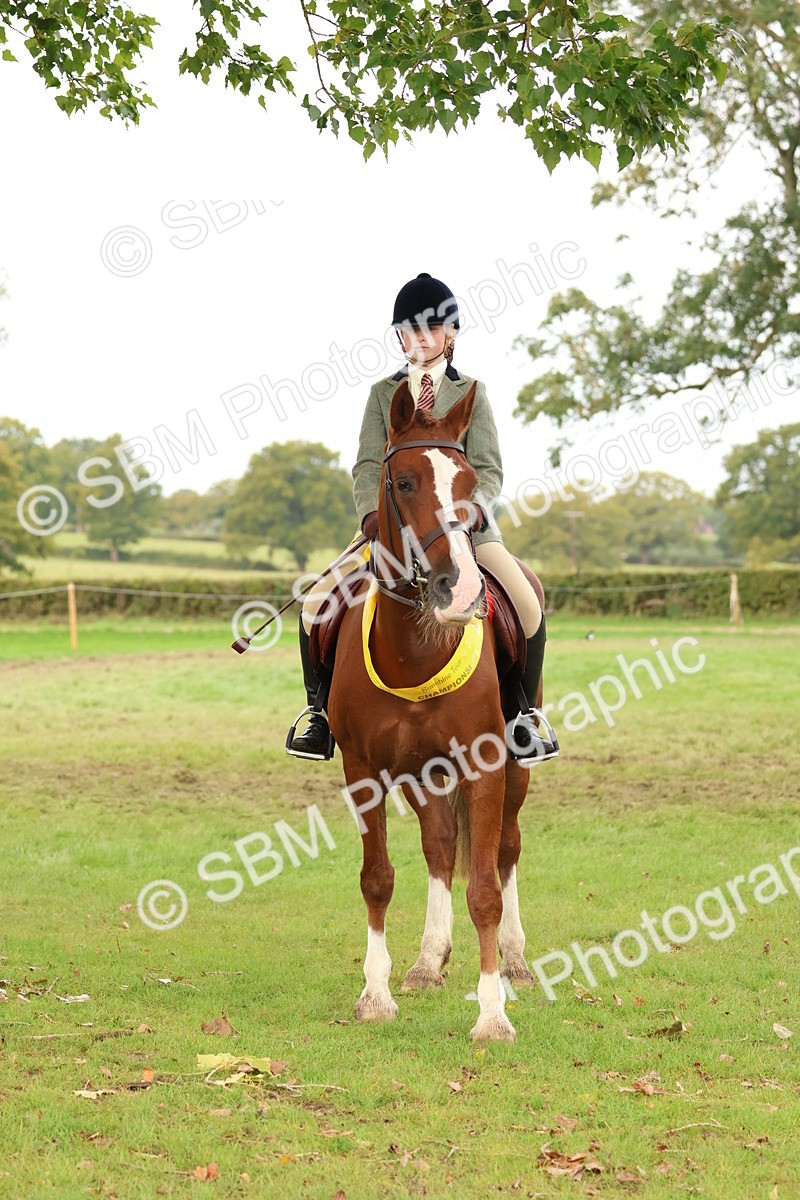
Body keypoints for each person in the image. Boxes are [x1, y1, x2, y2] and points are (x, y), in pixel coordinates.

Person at [287, 272, 558, 766]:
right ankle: (319, 716)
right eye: (410, 330)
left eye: (431, 329)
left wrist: (477, 509)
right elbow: (369, 464)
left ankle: (522, 716)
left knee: (527, 603)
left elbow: (490, 468)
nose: (420, 338)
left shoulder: (472, 391)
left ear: (451, 334)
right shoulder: (380, 393)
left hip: (466, 530)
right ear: (398, 336)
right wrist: (370, 513)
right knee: (314, 604)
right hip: (388, 528)